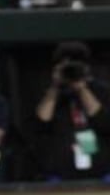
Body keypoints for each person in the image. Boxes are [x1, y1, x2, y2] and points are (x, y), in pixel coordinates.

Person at [33, 41, 110, 181]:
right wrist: (56, 87)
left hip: (102, 173)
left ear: (87, 68)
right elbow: (41, 122)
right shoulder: (51, 94)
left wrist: (81, 88)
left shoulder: (102, 91)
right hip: (60, 174)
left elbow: (104, 122)